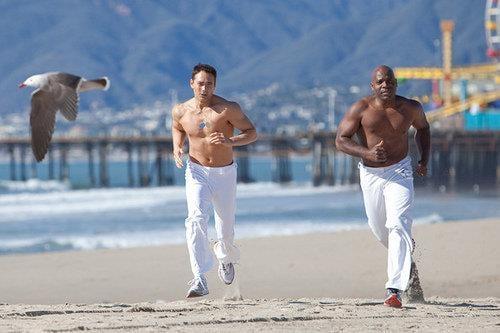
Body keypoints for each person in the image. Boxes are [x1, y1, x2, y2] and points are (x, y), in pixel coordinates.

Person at [335, 65, 430, 308]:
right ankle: (408, 266)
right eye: (380, 82)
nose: (385, 85)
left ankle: (394, 290)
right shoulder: (361, 109)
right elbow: (340, 140)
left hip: (400, 171)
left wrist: (423, 159)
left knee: (398, 223)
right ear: (373, 86)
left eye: (389, 81)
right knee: (380, 230)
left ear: (396, 83)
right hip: (371, 175)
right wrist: (366, 152)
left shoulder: (411, 107)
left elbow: (423, 128)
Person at [171, 64, 257, 298]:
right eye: (200, 83)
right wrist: (177, 146)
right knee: (196, 219)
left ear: (215, 85)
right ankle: (199, 278)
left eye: (209, 84)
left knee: (225, 228)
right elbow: (177, 126)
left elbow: (251, 132)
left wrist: (232, 142)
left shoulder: (227, 109)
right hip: (196, 171)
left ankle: (226, 257)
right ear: (191, 84)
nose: (205, 88)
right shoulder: (181, 110)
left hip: (225, 173)